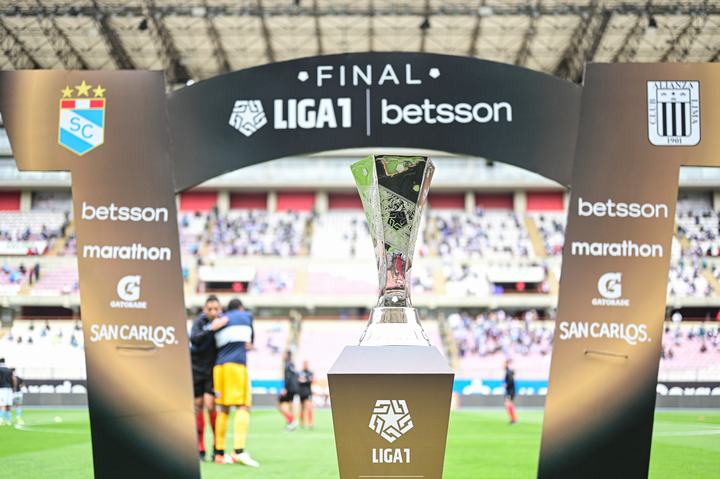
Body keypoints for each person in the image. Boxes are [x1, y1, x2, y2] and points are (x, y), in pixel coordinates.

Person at [213, 299, 259, 467]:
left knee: (223, 408)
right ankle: (238, 451)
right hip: (236, 366)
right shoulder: (245, 316)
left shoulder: (220, 319)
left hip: (219, 367)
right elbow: (250, 341)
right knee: (243, 406)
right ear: (240, 308)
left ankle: (219, 454)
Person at [189, 295, 226, 461]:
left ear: (220, 309)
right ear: (205, 309)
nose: (213, 312)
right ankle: (200, 448)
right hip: (196, 369)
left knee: (211, 406)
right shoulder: (199, 322)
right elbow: (194, 339)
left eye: (216, 309)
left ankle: (217, 446)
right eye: (210, 309)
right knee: (197, 406)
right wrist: (211, 328)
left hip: (212, 371)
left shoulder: (224, 323)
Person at [277, 351, 299, 431]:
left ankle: (292, 421)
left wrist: (285, 388)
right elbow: (296, 375)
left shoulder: (288, 364)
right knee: (290, 407)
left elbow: (289, 377)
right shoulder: (291, 364)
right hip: (293, 388)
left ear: (287, 355)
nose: (282, 356)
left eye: (284, 354)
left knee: (279, 405)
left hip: (289, 388)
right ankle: (290, 424)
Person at [298, 360, 314, 429]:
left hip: (308, 393)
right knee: (302, 408)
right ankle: (301, 423)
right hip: (301, 393)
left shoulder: (310, 373)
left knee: (309, 407)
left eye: (306, 364)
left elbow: (311, 380)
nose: (305, 365)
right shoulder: (300, 372)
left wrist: (304, 380)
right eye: (304, 364)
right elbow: (298, 381)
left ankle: (310, 423)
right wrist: (305, 380)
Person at [0, 358, 15, 426]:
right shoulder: (9, 370)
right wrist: (13, 388)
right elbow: (13, 379)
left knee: (2, 405)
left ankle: (0, 419)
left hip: (2, 389)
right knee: (9, 405)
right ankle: (8, 421)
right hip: (9, 389)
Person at [504, 360, 517, 425]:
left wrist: (506, 385)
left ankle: (513, 419)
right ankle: (513, 419)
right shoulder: (509, 372)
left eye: (504, 364)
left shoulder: (508, 372)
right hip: (511, 391)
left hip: (510, 391)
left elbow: (511, 381)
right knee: (509, 404)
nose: (502, 365)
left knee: (508, 404)